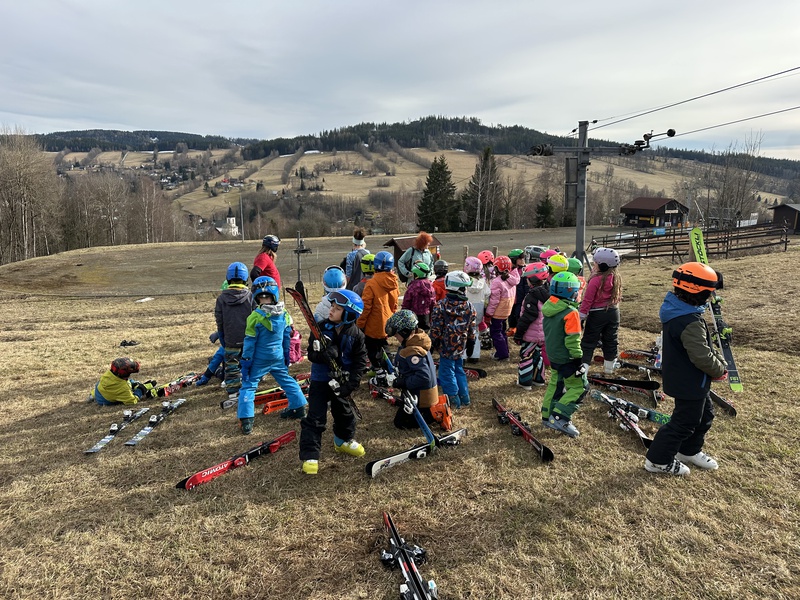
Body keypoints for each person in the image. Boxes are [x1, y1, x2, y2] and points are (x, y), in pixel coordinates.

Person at [645, 262, 726, 476]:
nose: (711, 297)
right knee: (684, 422)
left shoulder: (681, 311)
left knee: (705, 415)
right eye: (709, 293)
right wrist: (719, 369)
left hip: (691, 379)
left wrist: (717, 363)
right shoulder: (689, 320)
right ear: (699, 293)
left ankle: (688, 451)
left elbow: (703, 348)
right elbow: (701, 355)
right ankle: (657, 461)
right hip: (689, 381)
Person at [299, 290, 368, 475]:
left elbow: (360, 362)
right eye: (332, 306)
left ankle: (343, 441)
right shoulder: (320, 328)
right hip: (320, 380)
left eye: (337, 309)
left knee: (345, 414)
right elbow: (311, 354)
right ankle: (311, 455)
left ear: (349, 314)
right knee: (315, 417)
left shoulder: (357, 335)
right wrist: (323, 356)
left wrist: (351, 384)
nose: (331, 310)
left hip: (341, 381)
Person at [237, 277, 309, 434]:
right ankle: (299, 408)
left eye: (263, 297)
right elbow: (286, 338)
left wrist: (246, 361)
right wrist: (286, 355)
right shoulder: (285, 314)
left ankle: (246, 420)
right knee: (287, 380)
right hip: (277, 356)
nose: (262, 300)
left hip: (260, 359)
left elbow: (249, 342)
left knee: (249, 385)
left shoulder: (254, 317)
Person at [540, 272, 588, 437]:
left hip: (554, 356)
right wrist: (578, 359)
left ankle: (547, 415)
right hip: (567, 358)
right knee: (580, 387)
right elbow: (572, 340)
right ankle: (560, 417)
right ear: (571, 292)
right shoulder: (570, 312)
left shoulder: (549, 307)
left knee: (556, 384)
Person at [385, 310, 439, 429]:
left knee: (400, 423)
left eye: (397, 335)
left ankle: (432, 415)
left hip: (423, 398)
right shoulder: (414, 342)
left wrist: (403, 382)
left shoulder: (413, 351)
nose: (396, 338)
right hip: (417, 393)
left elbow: (424, 377)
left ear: (404, 332)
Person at [430, 270, 476, 409]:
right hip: (461, 345)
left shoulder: (441, 306)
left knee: (446, 372)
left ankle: (454, 399)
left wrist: (432, 343)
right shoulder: (469, 306)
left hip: (445, 347)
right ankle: (465, 398)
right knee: (458, 370)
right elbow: (472, 327)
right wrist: (471, 342)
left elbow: (436, 328)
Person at [579, 247, 622, 374]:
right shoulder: (616, 277)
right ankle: (609, 369)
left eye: (595, 263)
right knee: (610, 340)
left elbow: (587, 300)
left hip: (597, 314)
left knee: (589, 342)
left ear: (602, 265)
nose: (594, 265)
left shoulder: (596, 280)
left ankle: (583, 370)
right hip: (613, 312)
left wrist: (581, 316)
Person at [214, 262, 252, 400]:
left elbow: (219, 320)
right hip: (249, 339)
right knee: (250, 363)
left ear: (228, 278)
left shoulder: (221, 299)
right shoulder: (251, 296)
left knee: (231, 367)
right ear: (245, 278)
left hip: (230, 340)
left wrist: (222, 336)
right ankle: (250, 387)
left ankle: (233, 392)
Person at [356, 250, 399, 370]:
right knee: (383, 346)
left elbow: (365, 308)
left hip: (373, 325)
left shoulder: (371, 284)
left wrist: (360, 324)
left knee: (373, 351)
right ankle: (390, 369)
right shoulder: (394, 283)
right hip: (387, 322)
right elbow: (394, 305)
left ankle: (381, 371)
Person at [513, 262, 550, 390]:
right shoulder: (547, 293)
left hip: (530, 334)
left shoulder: (531, 296)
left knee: (526, 355)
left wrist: (519, 334)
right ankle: (539, 379)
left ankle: (525, 381)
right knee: (538, 355)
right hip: (542, 333)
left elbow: (528, 317)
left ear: (532, 279)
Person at [484, 256, 520, 361]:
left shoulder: (497, 282)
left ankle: (502, 354)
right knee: (502, 332)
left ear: (496, 268)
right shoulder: (511, 280)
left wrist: (488, 314)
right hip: (506, 311)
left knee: (496, 333)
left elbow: (494, 301)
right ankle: (504, 351)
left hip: (497, 312)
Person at [93, 358, 158, 405]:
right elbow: (132, 401)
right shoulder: (123, 388)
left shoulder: (109, 374)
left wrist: (133, 383)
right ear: (124, 374)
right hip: (104, 400)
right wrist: (140, 390)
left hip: (99, 390)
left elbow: (123, 381)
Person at [463, 256, 490, 362]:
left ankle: (463, 356)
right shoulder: (482, 282)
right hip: (478, 310)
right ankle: (474, 355)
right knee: (475, 332)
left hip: (466, 310)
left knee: (464, 333)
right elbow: (488, 294)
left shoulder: (464, 282)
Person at [401, 262, 436, 331]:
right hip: (426, 316)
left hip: (413, 316)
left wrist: (403, 313)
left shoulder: (412, 287)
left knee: (413, 334)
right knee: (424, 333)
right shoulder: (430, 286)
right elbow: (433, 302)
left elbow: (406, 302)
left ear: (416, 274)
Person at [507, 249, 528, 329]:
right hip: (511, 297)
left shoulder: (524, 271)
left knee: (518, 315)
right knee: (511, 315)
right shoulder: (508, 271)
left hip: (520, 298)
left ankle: (519, 330)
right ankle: (512, 329)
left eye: (523, 258)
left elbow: (526, 286)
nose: (523, 260)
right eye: (520, 258)